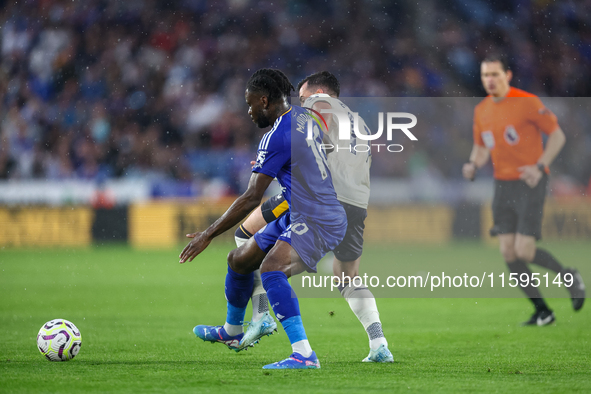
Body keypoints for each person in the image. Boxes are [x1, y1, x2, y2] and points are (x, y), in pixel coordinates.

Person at [180, 68, 347, 369]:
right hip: (301, 210)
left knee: (271, 269)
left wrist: (208, 234)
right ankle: (232, 332)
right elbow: (329, 145)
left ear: (265, 100)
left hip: (318, 217)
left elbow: (250, 198)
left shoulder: (276, 135)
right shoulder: (303, 118)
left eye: (250, 104)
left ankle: (304, 355)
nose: (248, 111)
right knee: (238, 260)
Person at [235, 71, 392, 363]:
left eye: (303, 97)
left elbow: (313, 135)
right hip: (356, 205)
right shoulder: (359, 122)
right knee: (347, 277)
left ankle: (260, 316)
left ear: (320, 92)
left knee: (246, 234)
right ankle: (379, 344)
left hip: (322, 197)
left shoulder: (320, 104)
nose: (301, 102)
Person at [462, 54, 586, 326]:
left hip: (530, 181)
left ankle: (569, 276)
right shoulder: (482, 110)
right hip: (502, 185)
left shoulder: (526, 102)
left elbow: (557, 135)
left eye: (495, 74)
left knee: (525, 250)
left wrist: (540, 166)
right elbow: (482, 146)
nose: (489, 80)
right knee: (508, 252)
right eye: (485, 75)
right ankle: (543, 311)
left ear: (508, 76)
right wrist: (472, 164)